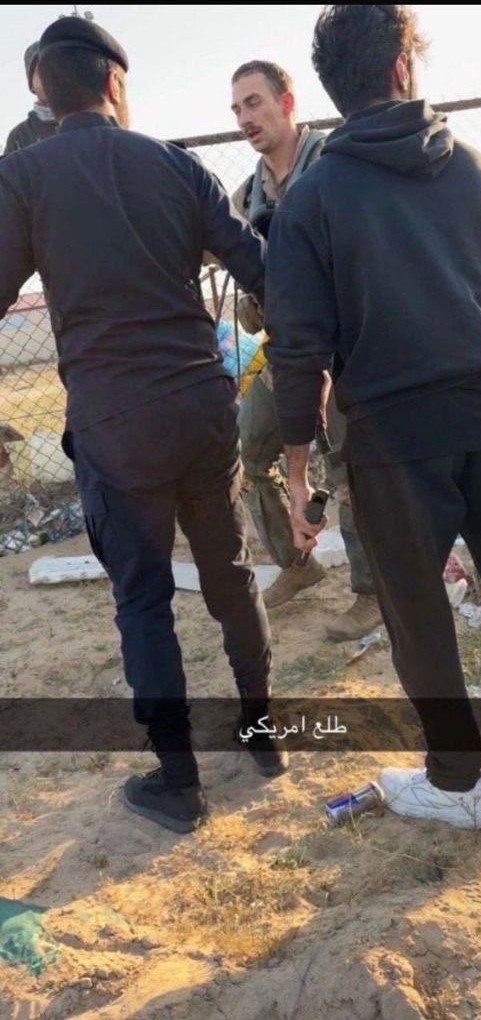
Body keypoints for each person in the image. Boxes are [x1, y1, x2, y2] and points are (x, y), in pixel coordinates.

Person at [265, 4, 481, 830]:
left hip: (394, 430)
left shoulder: (311, 199)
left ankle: (458, 780)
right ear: (402, 67)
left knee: (416, 607)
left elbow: (298, 349)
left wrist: (297, 470)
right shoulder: (473, 167)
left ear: (332, 87)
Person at [0, 16, 287, 835]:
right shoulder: (176, 164)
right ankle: (264, 737)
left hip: (114, 422)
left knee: (143, 600)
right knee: (230, 574)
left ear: (45, 94)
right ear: (115, 82)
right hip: (202, 407)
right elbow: (259, 268)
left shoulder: (23, 176)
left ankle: (179, 782)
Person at [230, 60, 382, 640]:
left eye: (254, 102)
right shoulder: (248, 196)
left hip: (344, 351)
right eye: (237, 109)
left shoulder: (332, 165)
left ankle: (370, 593)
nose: (245, 118)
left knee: (349, 470)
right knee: (249, 451)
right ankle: (298, 564)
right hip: (288, 355)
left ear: (287, 102)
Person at [4, 42, 57, 154]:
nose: (49, 77)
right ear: (31, 83)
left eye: (54, 70)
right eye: (41, 71)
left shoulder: (82, 123)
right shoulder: (19, 136)